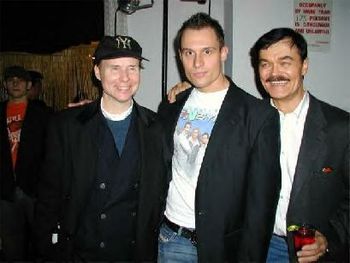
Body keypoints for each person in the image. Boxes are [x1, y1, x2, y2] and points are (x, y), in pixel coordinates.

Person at [157, 12, 281, 262]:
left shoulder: (258, 116)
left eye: (207, 51)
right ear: (180, 56)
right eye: (189, 53)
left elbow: (261, 205)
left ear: (223, 52)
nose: (197, 63)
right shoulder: (171, 105)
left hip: (222, 248)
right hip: (169, 238)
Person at [34, 35, 168, 262]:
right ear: (97, 72)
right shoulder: (67, 125)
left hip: (134, 252)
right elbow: (49, 195)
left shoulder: (156, 127)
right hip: (82, 251)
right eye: (114, 68)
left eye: (132, 68)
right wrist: (46, 249)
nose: (125, 78)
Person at [249, 27, 349, 262]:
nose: (274, 73)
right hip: (258, 247)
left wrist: (329, 239)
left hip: (311, 253)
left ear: (304, 65)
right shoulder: (248, 119)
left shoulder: (340, 128)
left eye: (285, 62)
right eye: (265, 64)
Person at [0, 65, 51, 261]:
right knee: (11, 246)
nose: (15, 83)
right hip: (4, 191)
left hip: (35, 189)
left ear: (29, 85)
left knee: (41, 243)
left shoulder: (43, 114)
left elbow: (51, 152)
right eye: (10, 79)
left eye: (20, 79)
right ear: (5, 84)